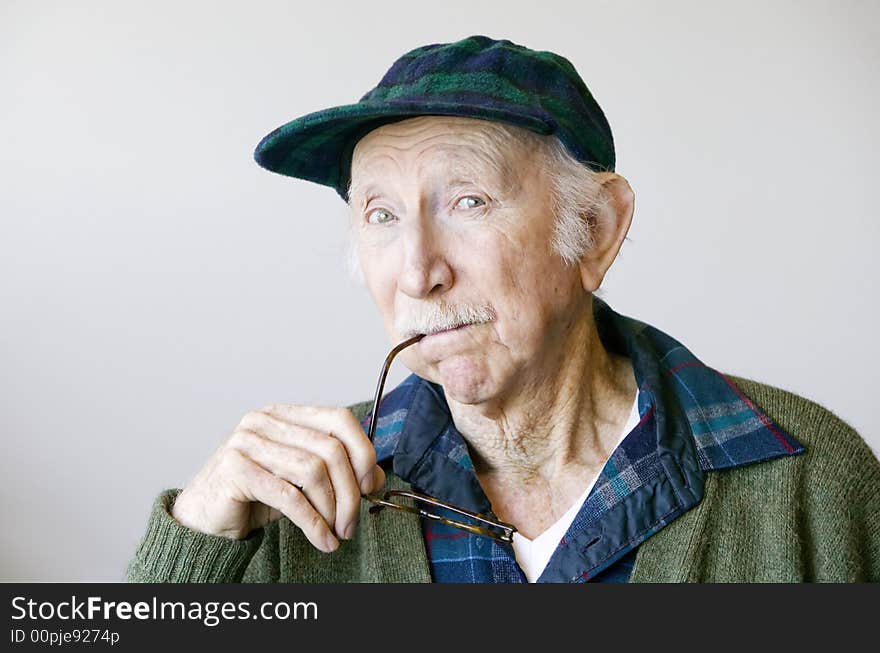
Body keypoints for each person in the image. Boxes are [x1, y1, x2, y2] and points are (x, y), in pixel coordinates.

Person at [127, 35, 879, 583]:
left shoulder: (814, 486)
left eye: (468, 201)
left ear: (596, 228)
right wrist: (198, 541)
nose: (419, 272)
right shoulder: (295, 506)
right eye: (381, 215)